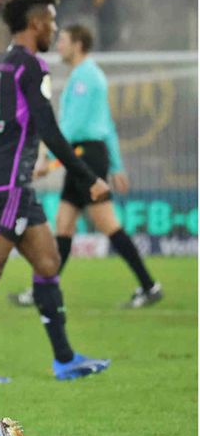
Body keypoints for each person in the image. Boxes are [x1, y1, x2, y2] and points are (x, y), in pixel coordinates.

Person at [0, 0, 112, 383]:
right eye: (52, 21)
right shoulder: (31, 67)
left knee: (48, 261)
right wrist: (87, 177)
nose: (55, 30)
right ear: (36, 22)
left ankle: (65, 358)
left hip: (4, 183)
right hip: (8, 186)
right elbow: (49, 129)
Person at [10, 24, 161, 309]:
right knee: (64, 226)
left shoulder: (84, 79)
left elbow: (70, 128)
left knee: (106, 223)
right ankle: (41, 289)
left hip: (85, 156)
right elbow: (108, 126)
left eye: (63, 40)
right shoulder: (90, 75)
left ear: (78, 44)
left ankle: (149, 285)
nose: (59, 46)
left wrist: (46, 160)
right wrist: (116, 165)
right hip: (88, 154)